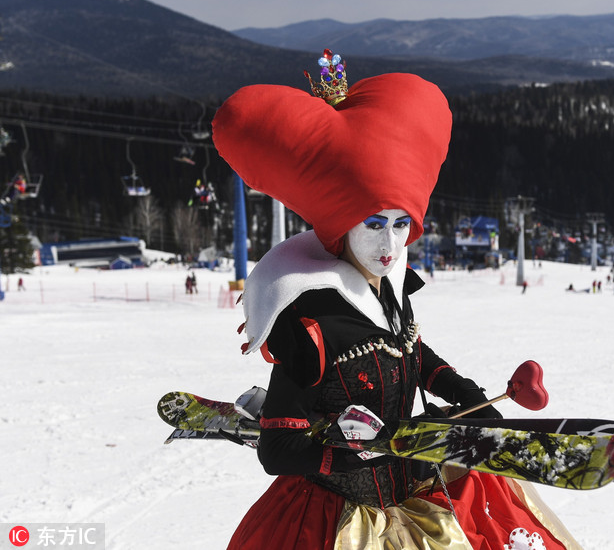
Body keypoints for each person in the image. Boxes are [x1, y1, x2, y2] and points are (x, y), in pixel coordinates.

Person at [213, 50, 579, 550]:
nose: (390, 247)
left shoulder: (391, 285)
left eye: (401, 224)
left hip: (419, 485)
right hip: (344, 519)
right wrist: (342, 457)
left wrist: (461, 389)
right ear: (341, 225)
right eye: (373, 224)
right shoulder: (310, 320)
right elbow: (277, 449)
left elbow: (408, 350)